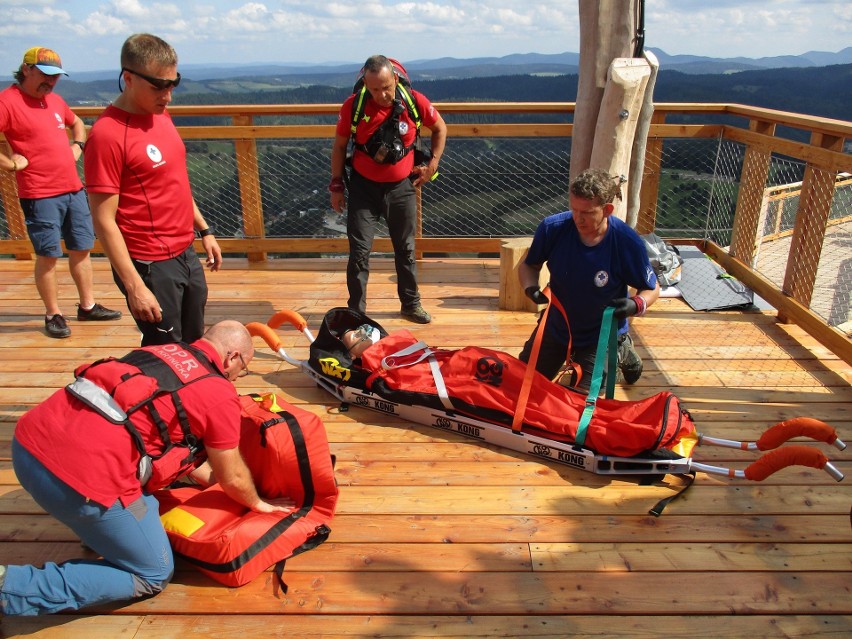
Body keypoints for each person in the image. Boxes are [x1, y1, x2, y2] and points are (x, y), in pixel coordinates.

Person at [0, 320, 293, 616]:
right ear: (232, 357)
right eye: (241, 370)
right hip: (78, 486)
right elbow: (233, 476)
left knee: (141, 497)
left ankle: (99, 532)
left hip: (27, 449)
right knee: (152, 571)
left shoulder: (160, 351)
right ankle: (12, 588)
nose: (237, 378)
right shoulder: (219, 393)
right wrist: (258, 503)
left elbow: (159, 434)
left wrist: (207, 479)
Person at [84, 33, 222, 346]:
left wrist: (204, 229)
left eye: (173, 83)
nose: (168, 95)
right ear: (128, 78)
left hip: (185, 249)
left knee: (194, 341)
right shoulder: (107, 135)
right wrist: (134, 286)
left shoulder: (160, 115)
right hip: (149, 262)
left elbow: (175, 181)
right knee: (166, 350)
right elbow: (104, 221)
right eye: (158, 86)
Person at [0, 47, 122, 338]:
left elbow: (77, 123)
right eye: (45, 75)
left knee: (81, 248)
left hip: (72, 189)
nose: (51, 82)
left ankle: (87, 306)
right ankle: (53, 313)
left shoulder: (54, 101)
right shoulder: (7, 102)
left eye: (55, 77)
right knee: (48, 255)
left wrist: (77, 146)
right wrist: (9, 164)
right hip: (39, 193)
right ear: (26, 69)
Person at [518, 168, 660, 391]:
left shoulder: (626, 241)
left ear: (607, 210)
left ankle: (621, 348)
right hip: (557, 326)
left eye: (587, 212)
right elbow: (529, 265)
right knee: (520, 384)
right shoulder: (552, 228)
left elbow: (651, 287)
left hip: (600, 334)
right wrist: (530, 287)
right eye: (573, 209)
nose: (577, 218)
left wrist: (635, 304)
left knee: (581, 401)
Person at [329, 55, 447, 324]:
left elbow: (440, 128)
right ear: (365, 86)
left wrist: (432, 165)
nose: (381, 94)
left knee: (405, 248)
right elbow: (338, 146)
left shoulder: (414, 101)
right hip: (363, 188)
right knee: (359, 252)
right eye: (374, 89)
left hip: (402, 187)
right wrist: (336, 185)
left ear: (395, 79)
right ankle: (356, 313)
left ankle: (411, 305)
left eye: (385, 87)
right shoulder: (354, 106)